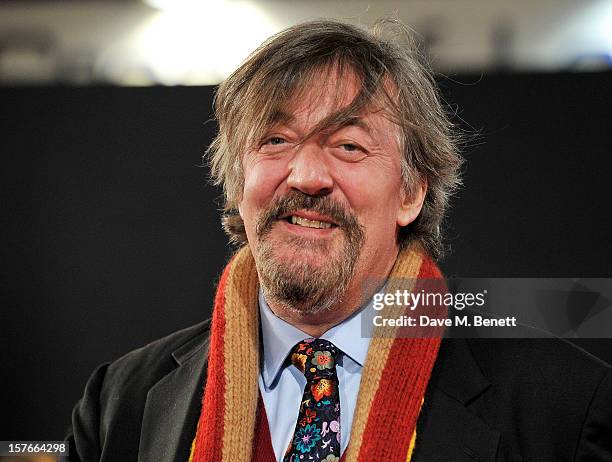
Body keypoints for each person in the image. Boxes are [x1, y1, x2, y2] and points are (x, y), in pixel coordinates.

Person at [65, 20, 612, 462]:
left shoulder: (565, 403)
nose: (306, 175)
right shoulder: (120, 403)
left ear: (411, 193)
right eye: (275, 140)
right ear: (238, 183)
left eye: (348, 146)